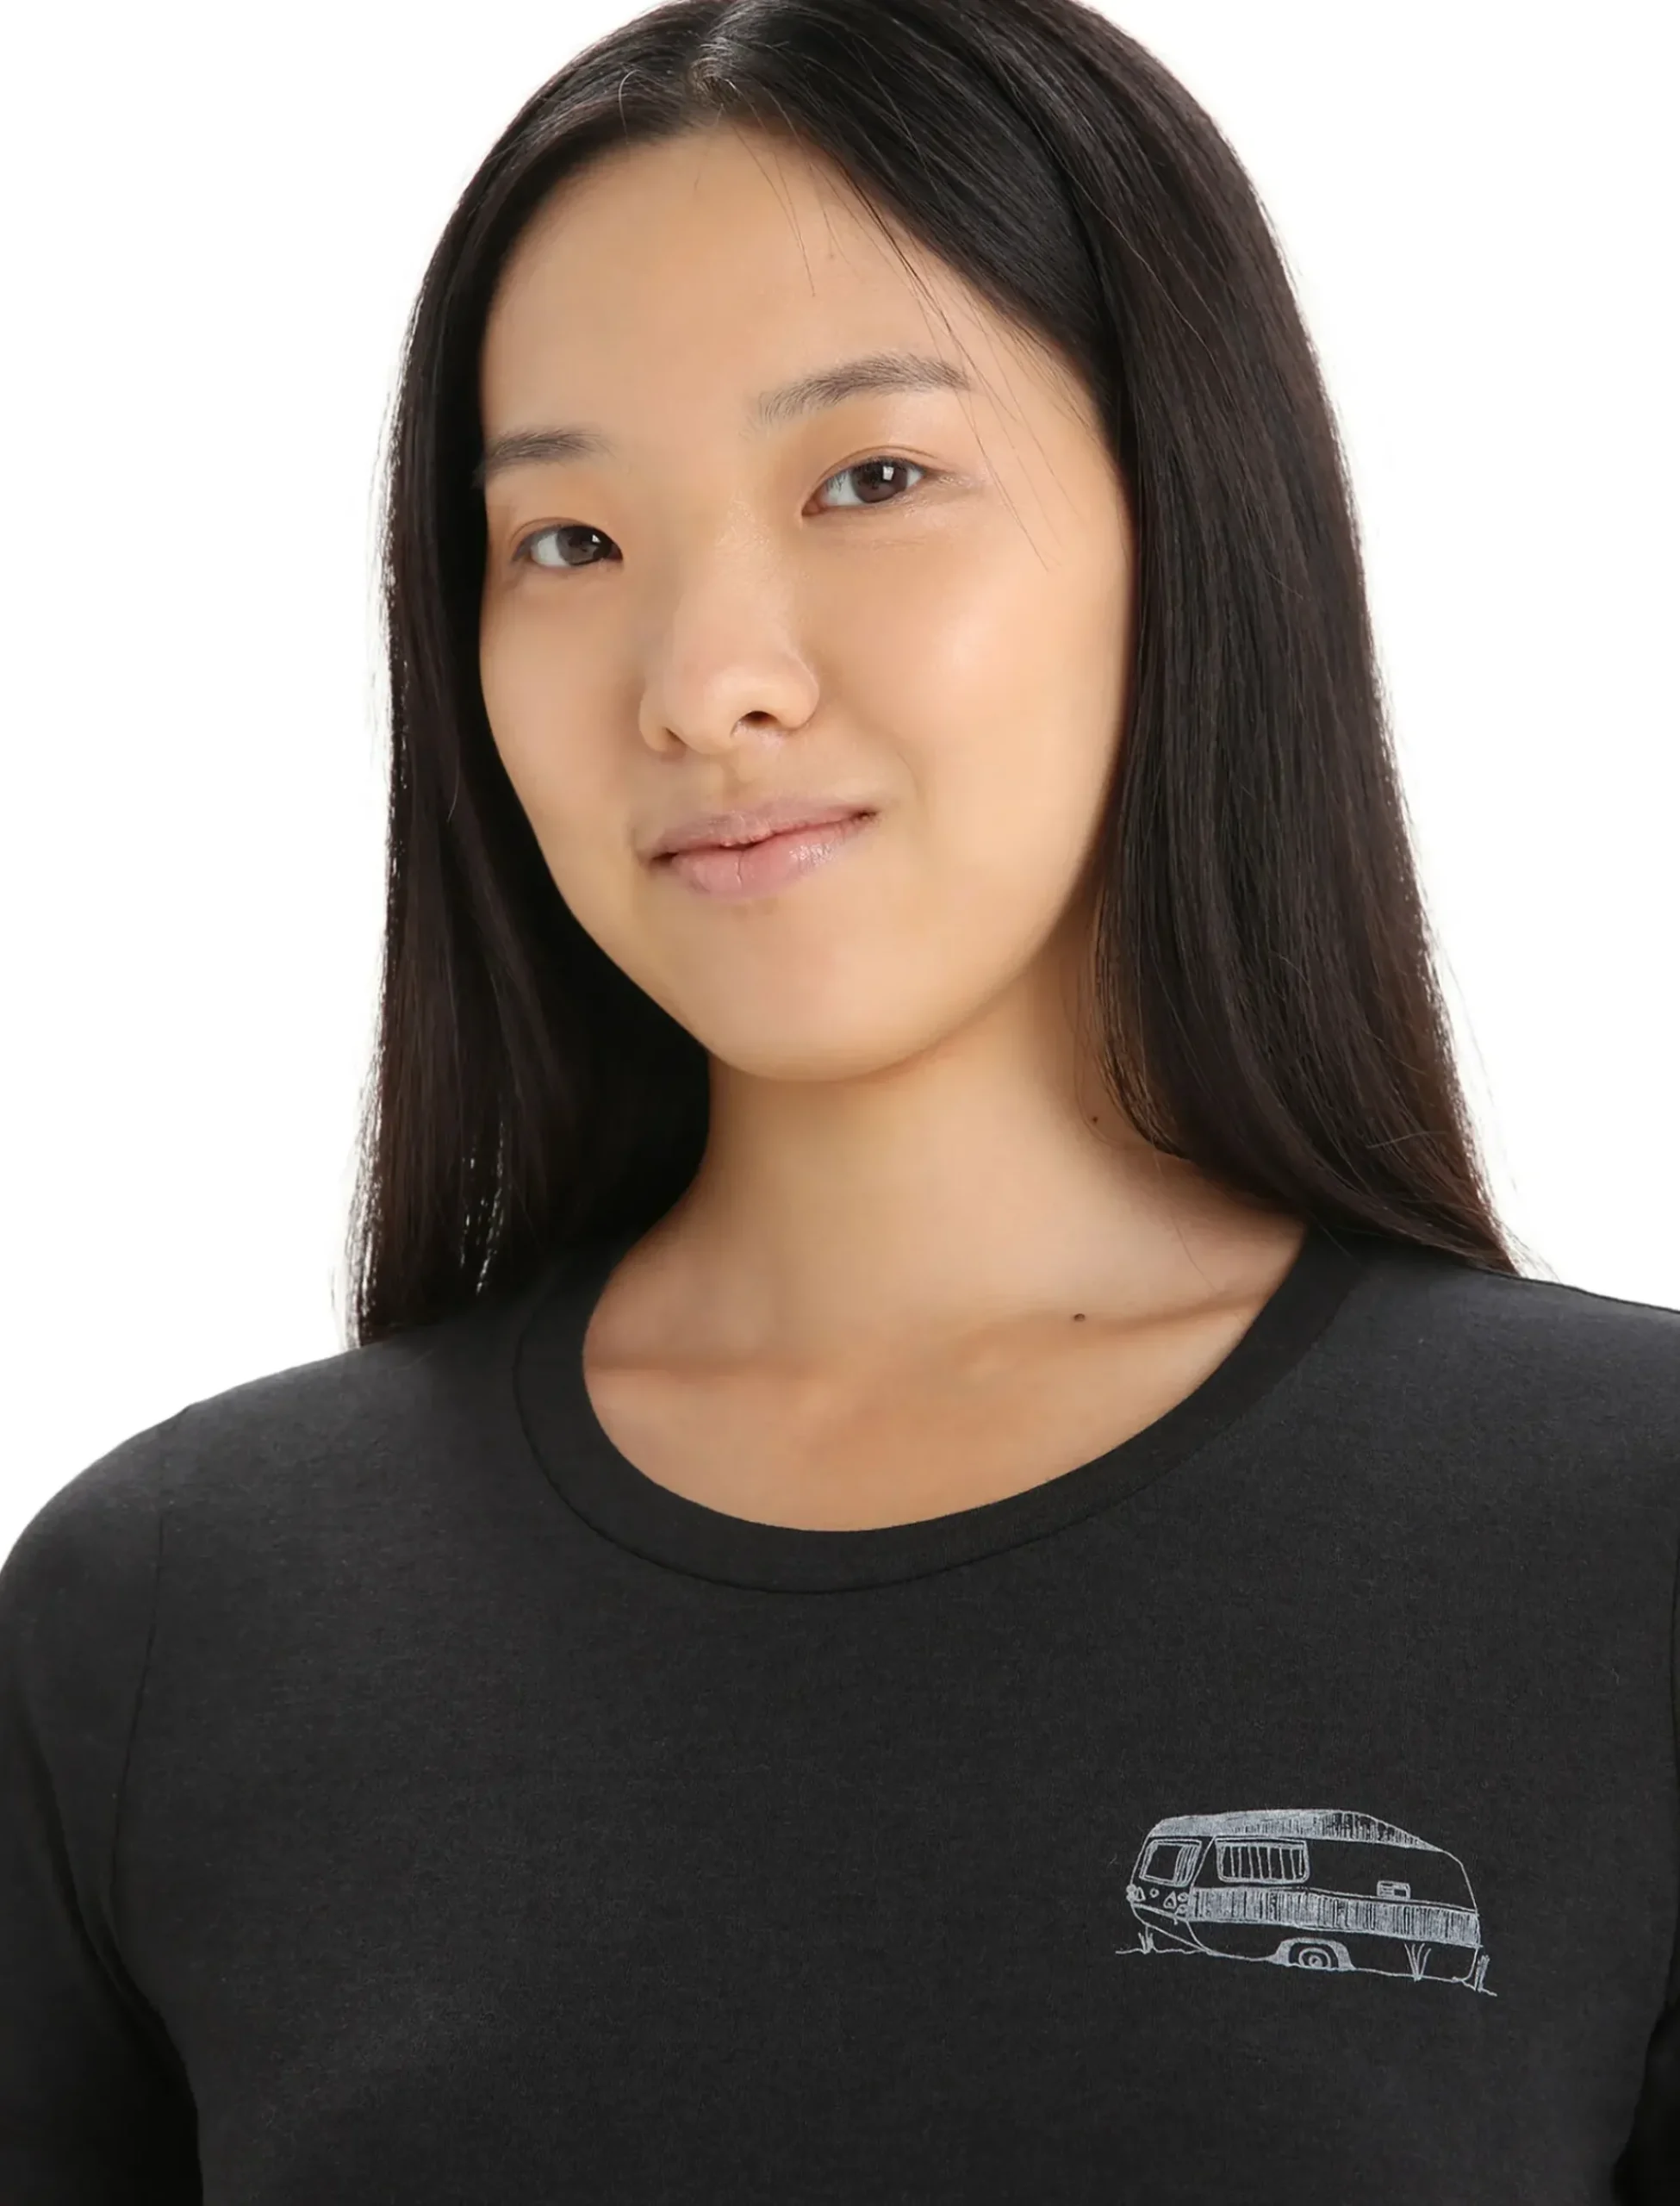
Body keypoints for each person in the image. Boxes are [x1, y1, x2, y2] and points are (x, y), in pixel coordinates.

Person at [3, 1, 1676, 2197]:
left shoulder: (1627, 1548)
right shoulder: (169, 1618)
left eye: (871, 480)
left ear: (1194, 519)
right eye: (566, 540)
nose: (708, 684)